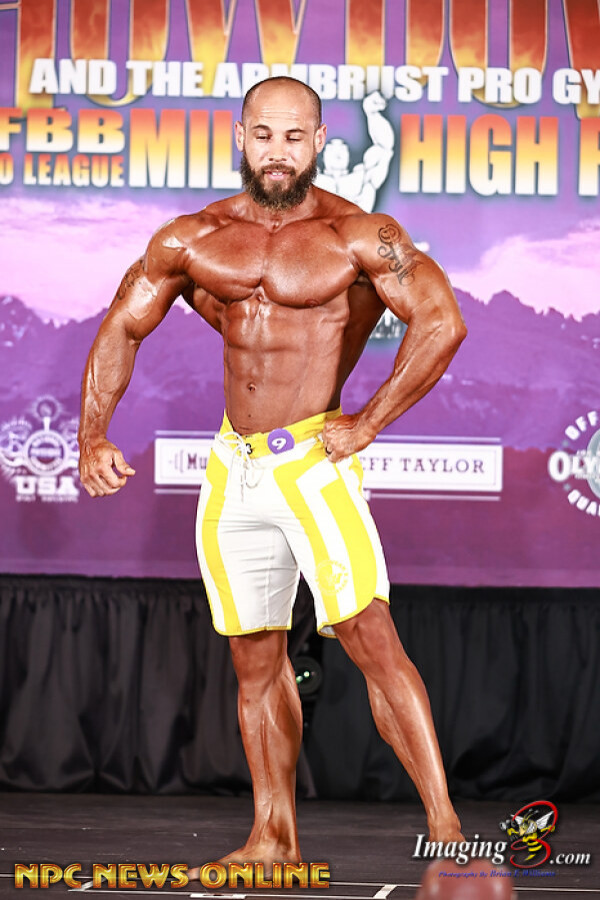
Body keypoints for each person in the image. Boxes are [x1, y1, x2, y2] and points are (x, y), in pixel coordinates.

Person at [78, 76, 467, 870]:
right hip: (234, 468)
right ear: (241, 136)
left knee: (369, 638)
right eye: (264, 135)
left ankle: (449, 831)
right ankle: (273, 837)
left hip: (314, 462)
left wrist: (367, 422)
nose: (278, 152)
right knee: (254, 659)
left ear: (319, 142)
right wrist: (92, 436)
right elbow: (123, 322)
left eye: (294, 137)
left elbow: (442, 322)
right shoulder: (194, 237)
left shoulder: (359, 234)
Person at [315, 90, 394, 211]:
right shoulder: (310, 182)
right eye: (331, 148)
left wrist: (372, 114)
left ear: (348, 156)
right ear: (323, 155)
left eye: (342, 148)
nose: (337, 151)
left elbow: (384, 148)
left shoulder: (361, 177)